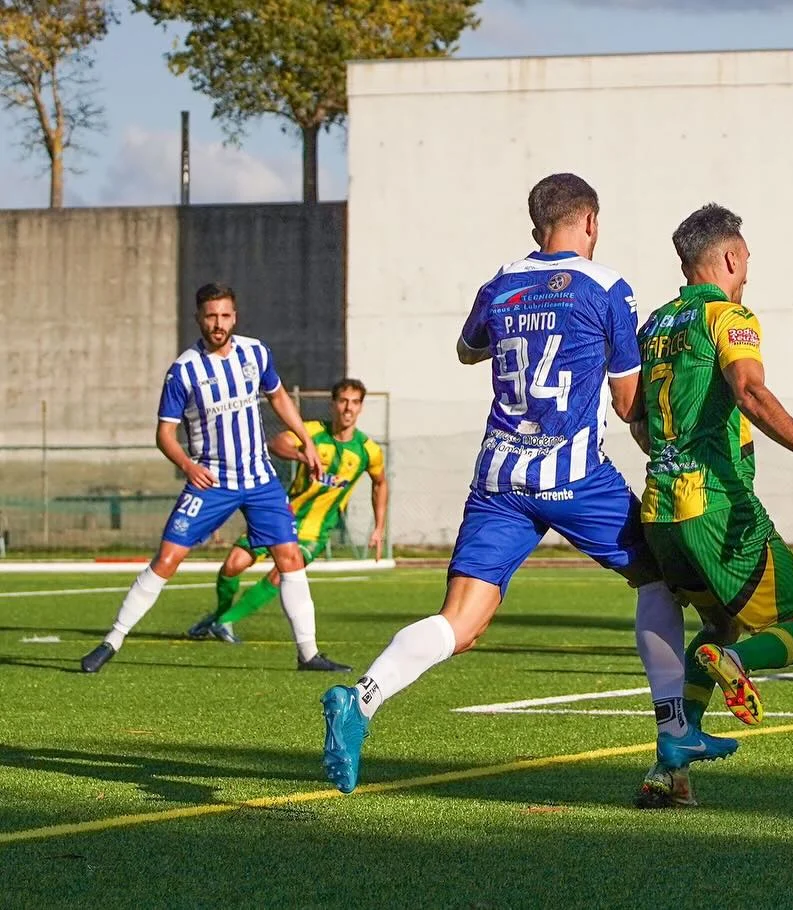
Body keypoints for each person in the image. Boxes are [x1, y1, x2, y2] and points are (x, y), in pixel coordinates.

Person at [319, 174, 725, 795]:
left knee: (461, 622)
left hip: (500, 475)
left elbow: (466, 349)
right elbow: (625, 404)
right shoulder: (608, 287)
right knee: (658, 579)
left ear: (539, 225)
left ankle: (360, 699)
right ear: (589, 222)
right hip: (576, 476)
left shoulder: (501, 283)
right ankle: (672, 733)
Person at [632, 202, 793, 807]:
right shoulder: (730, 316)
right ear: (730, 256)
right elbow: (750, 390)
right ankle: (733, 659)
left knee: (717, 621)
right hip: (718, 508)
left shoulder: (654, 325)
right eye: (746, 255)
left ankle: (668, 771)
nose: (749, 267)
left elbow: (637, 419)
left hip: (662, 513)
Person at [80, 283, 347, 673]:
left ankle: (308, 654)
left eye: (224, 316)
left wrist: (306, 440)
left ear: (234, 317)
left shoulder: (256, 353)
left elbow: (278, 397)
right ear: (199, 319)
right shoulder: (183, 371)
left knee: (290, 558)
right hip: (212, 481)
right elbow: (164, 435)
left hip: (259, 479)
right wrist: (188, 466)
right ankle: (112, 641)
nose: (218, 323)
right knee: (168, 558)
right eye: (210, 316)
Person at [186, 378, 388, 643]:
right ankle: (219, 618)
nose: (348, 408)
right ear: (333, 404)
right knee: (231, 566)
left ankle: (225, 621)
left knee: (281, 574)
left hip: (314, 533)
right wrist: (303, 455)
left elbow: (380, 483)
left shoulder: (367, 450)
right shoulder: (313, 432)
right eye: (342, 401)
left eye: (355, 402)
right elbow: (277, 443)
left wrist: (379, 527)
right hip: (279, 519)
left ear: (361, 407)